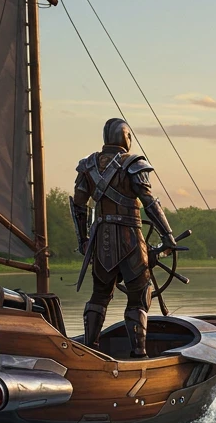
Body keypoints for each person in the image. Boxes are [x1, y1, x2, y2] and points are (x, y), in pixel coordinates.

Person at [70, 118, 176, 355]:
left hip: (101, 242)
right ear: (125, 137)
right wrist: (167, 236)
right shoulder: (134, 163)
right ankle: (139, 353)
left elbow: (78, 206)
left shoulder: (87, 166)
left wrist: (83, 240)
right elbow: (149, 202)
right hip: (131, 241)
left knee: (99, 294)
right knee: (139, 294)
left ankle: (90, 349)